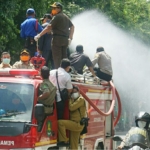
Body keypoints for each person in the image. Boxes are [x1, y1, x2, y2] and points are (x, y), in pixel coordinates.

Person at [34, 2, 74, 69]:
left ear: (59, 9)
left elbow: (48, 27)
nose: (52, 9)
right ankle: (65, 70)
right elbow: (72, 27)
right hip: (65, 40)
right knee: (64, 57)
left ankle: (58, 72)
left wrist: (39, 35)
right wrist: (70, 38)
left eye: (54, 8)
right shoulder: (66, 17)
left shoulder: (57, 17)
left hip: (57, 40)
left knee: (57, 57)